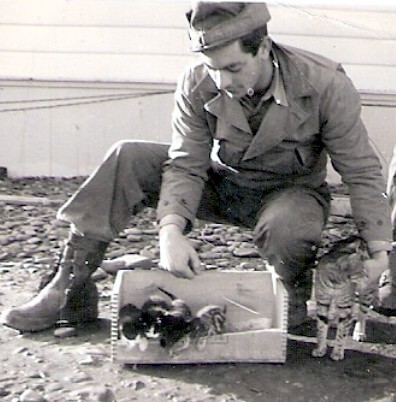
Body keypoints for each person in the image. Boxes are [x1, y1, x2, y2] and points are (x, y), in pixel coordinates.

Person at [2, 2, 393, 333]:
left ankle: (290, 296)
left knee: (289, 224)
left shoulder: (324, 84)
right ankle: (69, 288)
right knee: (130, 155)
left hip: (290, 194)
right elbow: (186, 163)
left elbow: (360, 171)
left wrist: (378, 249)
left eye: (234, 68)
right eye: (213, 68)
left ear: (263, 48)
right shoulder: (196, 82)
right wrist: (171, 231)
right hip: (222, 183)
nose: (222, 81)